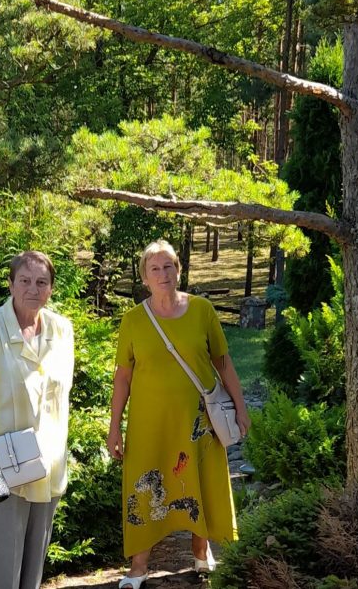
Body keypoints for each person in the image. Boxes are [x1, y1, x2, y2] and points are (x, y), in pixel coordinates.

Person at [106, 239, 251, 588]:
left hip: (198, 421)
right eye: (154, 269)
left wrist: (241, 408)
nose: (163, 274)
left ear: (179, 269)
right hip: (148, 424)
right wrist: (114, 427)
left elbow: (223, 363)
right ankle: (139, 566)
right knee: (143, 488)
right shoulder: (133, 320)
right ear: (145, 277)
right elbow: (122, 377)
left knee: (200, 480)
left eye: (168, 266)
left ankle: (201, 552)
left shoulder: (202, 310)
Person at [0, 251, 76, 589]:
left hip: (48, 462)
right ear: (11, 284)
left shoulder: (62, 330)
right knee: (0, 568)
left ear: (51, 289)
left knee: (34, 569)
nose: (33, 289)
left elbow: (61, 394)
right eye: (25, 281)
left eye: (41, 282)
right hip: (3, 464)